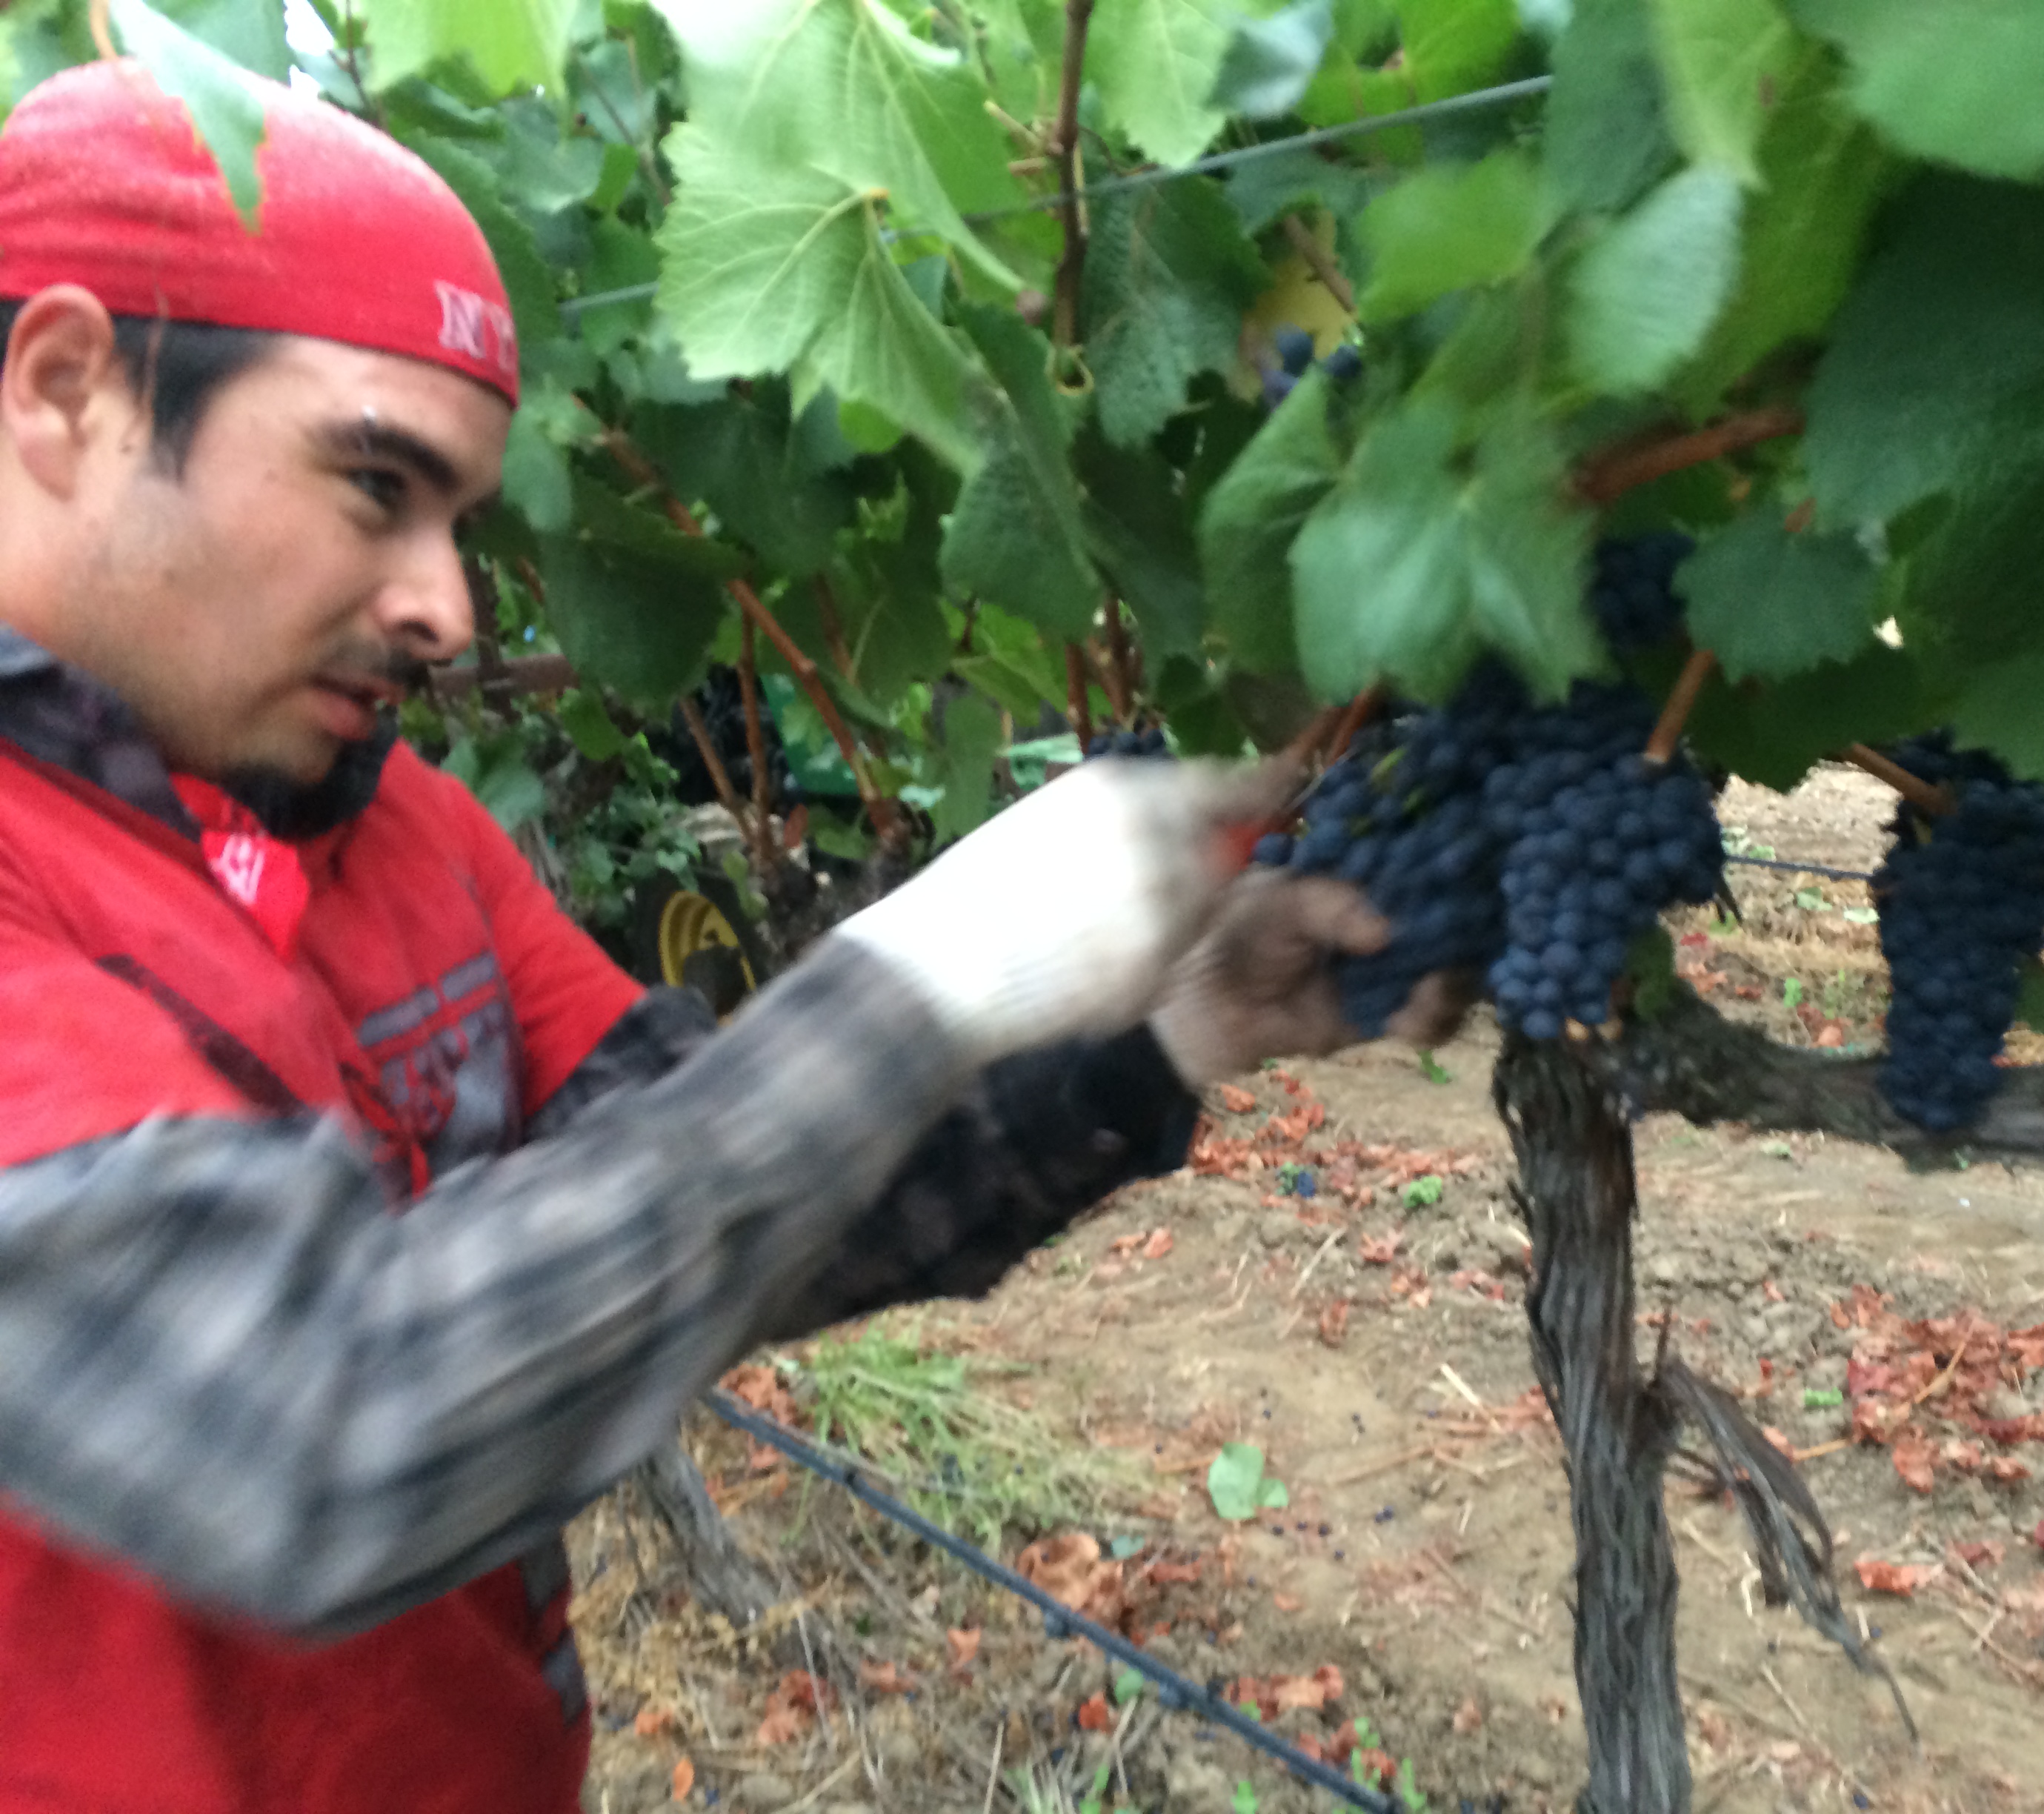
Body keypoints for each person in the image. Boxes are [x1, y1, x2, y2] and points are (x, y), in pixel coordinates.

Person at [0, 62, 1457, 1814]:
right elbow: (320, 1439)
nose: (449, 605)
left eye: (460, 518)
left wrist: (1162, 1041)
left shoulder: (404, 832)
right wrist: (923, 977)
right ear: (65, 389)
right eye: (375, 486)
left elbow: (728, 1217)